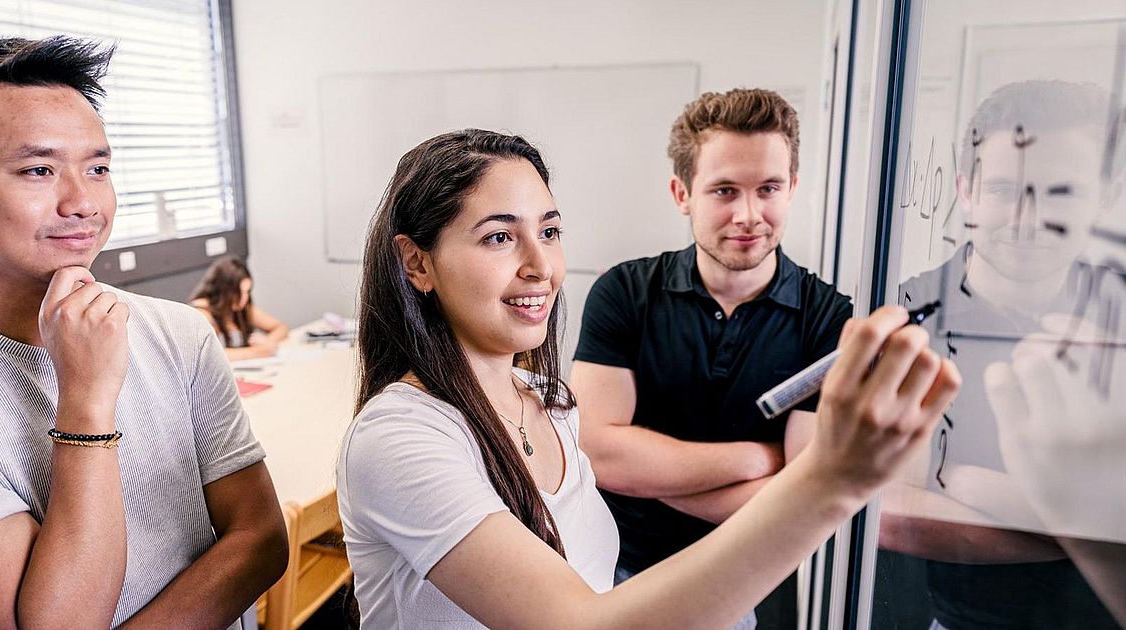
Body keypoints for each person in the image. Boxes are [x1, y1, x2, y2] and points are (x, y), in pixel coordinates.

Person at [336, 128, 960, 628]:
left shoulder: (545, 400)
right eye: (500, 237)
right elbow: (577, 622)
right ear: (417, 263)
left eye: (549, 232)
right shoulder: (401, 436)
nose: (541, 266)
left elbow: (598, 587)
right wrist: (831, 477)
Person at [0, 37, 287, 629]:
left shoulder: (179, 333)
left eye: (98, 169)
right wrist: (86, 399)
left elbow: (259, 538)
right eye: (38, 170)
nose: (83, 202)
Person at [568, 88, 853, 618]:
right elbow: (598, 454)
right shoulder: (624, 293)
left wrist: (647, 475)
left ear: (792, 188)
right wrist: (756, 458)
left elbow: (802, 494)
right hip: (608, 569)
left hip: (737, 581)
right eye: (724, 191)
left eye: (768, 189)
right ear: (683, 194)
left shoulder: (830, 319)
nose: (749, 215)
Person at [878, 80, 1122, 628]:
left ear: (1104, 197)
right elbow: (891, 510)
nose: (1027, 218)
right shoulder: (903, 314)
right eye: (1005, 190)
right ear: (965, 191)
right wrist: (1095, 528)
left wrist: (964, 482)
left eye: (1062, 193)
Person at [190, 255, 290, 361]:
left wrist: (268, 342)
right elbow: (207, 355)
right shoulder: (202, 312)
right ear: (223, 290)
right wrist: (257, 352)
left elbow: (281, 327)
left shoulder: (241, 308)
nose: (244, 299)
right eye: (238, 293)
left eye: (247, 292)